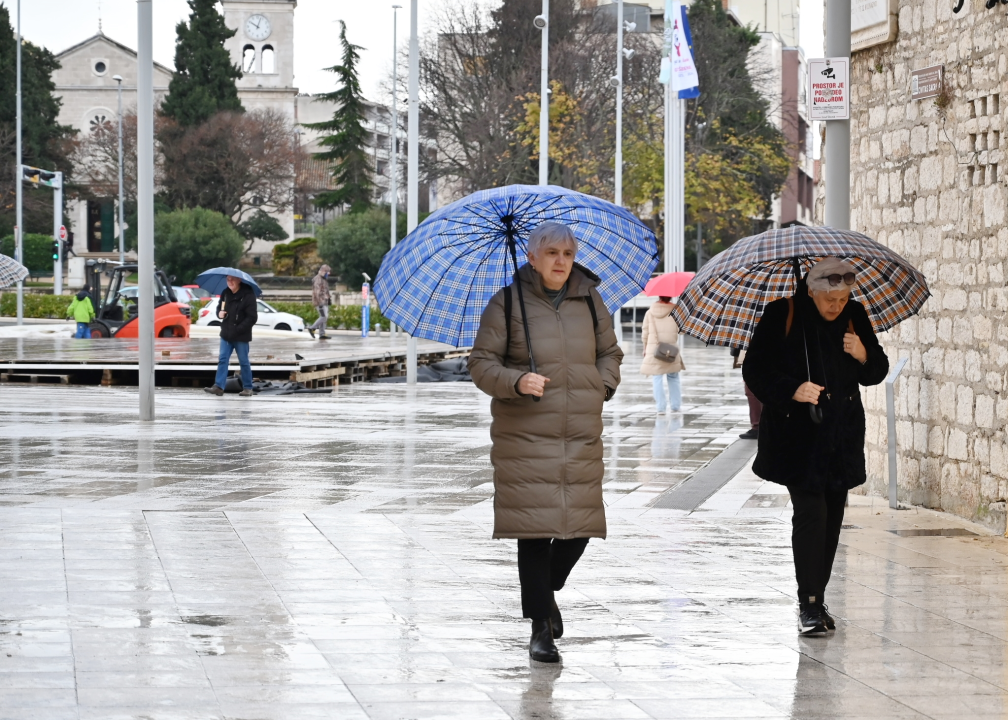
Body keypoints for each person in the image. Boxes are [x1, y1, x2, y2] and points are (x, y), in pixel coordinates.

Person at [469, 221, 623, 664]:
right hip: (524, 436)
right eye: (551, 253)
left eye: (568, 254)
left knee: (582, 528)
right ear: (532, 257)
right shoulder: (506, 303)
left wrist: (602, 385)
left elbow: (609, 353)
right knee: (533, 532)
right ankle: (540, 629)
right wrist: (517, 380)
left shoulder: (591, 301)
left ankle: (546, 591)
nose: (560, 262)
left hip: (579, 432)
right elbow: (481, 364)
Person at [743, 258, 888, 636]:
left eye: (842, 298)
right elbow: (755, 369)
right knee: (811, 513)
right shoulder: (783, 314)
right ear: (811, 290)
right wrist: (792, 389)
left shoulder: (855, 315)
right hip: (798, 438)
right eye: (829, 299)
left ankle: (817, 598)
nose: (836, 306)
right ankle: (808, 604)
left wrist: (863, 354)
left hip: (840, 437)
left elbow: (877, 371)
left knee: (833, 517)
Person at [204, 274, 258, 397]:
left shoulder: (248, 295)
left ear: (239, 280)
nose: (229, 282)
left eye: (232, 279)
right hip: (226, 334)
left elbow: (252, 318)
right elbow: (219, 308)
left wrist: (238, 329)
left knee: (244, 361)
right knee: (223, 359)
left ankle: (248, 387)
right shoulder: (226, 293)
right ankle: (218, 386)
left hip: (241, 336)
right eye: (228, 279)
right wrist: (219, 314)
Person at [640, 295, 685, 413]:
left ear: (659, 296)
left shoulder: (650, 312)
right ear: (671, 297)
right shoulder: (676, 311)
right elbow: (682, 331)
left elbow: (645, 332)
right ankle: (675, 406)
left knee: (657, 377)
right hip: (671, 351)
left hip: (654, 350)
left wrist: (645, 348)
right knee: (673, 377)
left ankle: (661, 408)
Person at [307, 264, 331, 340]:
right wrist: (321, 301)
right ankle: (312, 328)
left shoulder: (323, 279)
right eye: (328, 272)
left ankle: (322, 333)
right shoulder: (318, 279)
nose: (329, 274)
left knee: (324, 317)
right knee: (324, 317)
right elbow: (317, 293)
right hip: (320, 302)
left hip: (324, 301)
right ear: (324, 271)